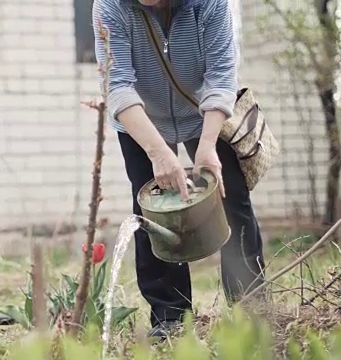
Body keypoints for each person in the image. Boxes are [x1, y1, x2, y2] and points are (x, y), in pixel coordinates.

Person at [92, 0, 266, 339]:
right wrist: (158, 152)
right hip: (139, 119)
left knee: (232, 202)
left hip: (203, 113)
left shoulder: (210, 4)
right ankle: (170, 316)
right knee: (153, 213)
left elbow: (221, 73)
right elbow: (117, 84)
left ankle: (251, 308)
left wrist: (207, 147)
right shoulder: (110, 6)